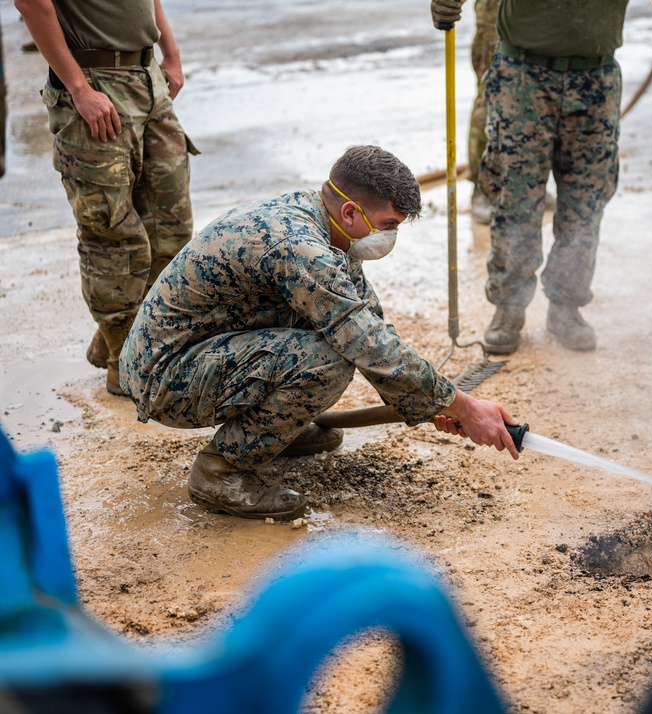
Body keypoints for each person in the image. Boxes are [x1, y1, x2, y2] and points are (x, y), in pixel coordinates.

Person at [119, 146, 521, 521]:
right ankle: (220, 472)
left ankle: (275, 429)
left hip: (203, 350)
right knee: (325, 361)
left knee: (332, 337)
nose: (390, 236)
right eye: (388, 225)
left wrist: (432, 403)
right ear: (350, 212)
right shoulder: (299, 247)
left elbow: (372, 324)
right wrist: (465, 408)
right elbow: (366, 344)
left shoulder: (325, 227)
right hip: (165, 376)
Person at [431, 0, 652, 354]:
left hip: (595, 79)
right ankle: (508, 308)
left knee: (585, 203)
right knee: (515, 198)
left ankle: (566, 308)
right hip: (522, 75)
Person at [14, 0, 197, 395]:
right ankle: (124, 365)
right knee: (113, 237)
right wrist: (78, 88)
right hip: (96, 81)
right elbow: (30, 2)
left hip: (148, 79)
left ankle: (130, 339)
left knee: (172, 231)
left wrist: (172, 55)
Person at [468, 0, 499, 226]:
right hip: (496, 16)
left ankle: (525, 186)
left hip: (539, 15)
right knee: (491, 98)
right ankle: (483, 188)